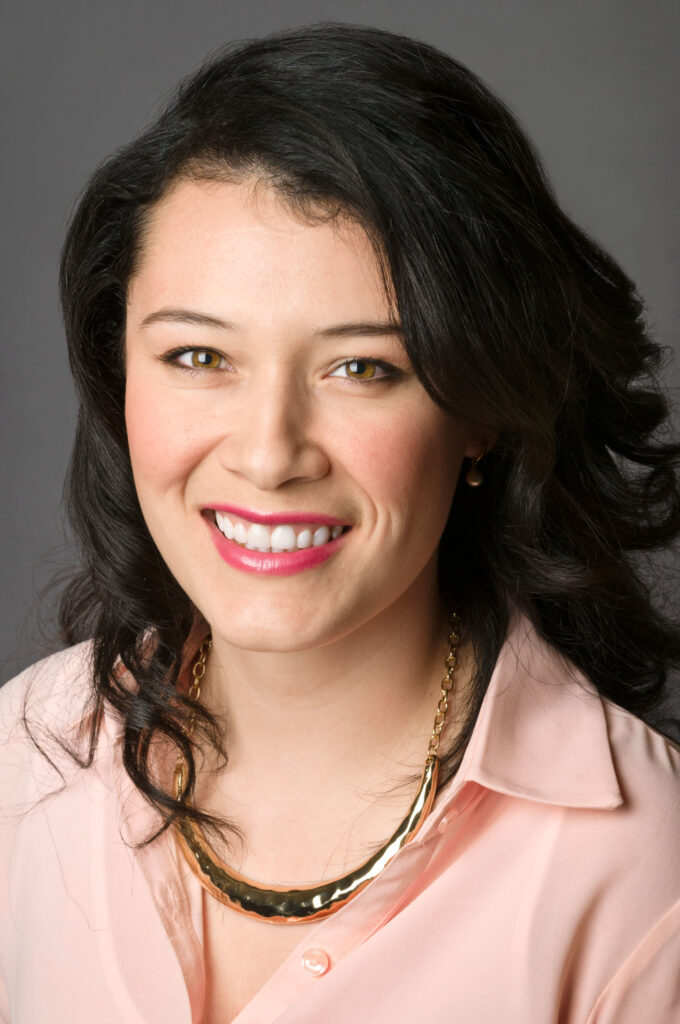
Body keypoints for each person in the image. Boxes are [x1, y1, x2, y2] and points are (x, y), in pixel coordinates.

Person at [1, 20, 679, 1024]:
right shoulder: (19, 762)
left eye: (361, 368)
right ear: (118, 377)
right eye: (198, 357)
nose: (269, 453)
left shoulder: (643, 882)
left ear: (480, 413)